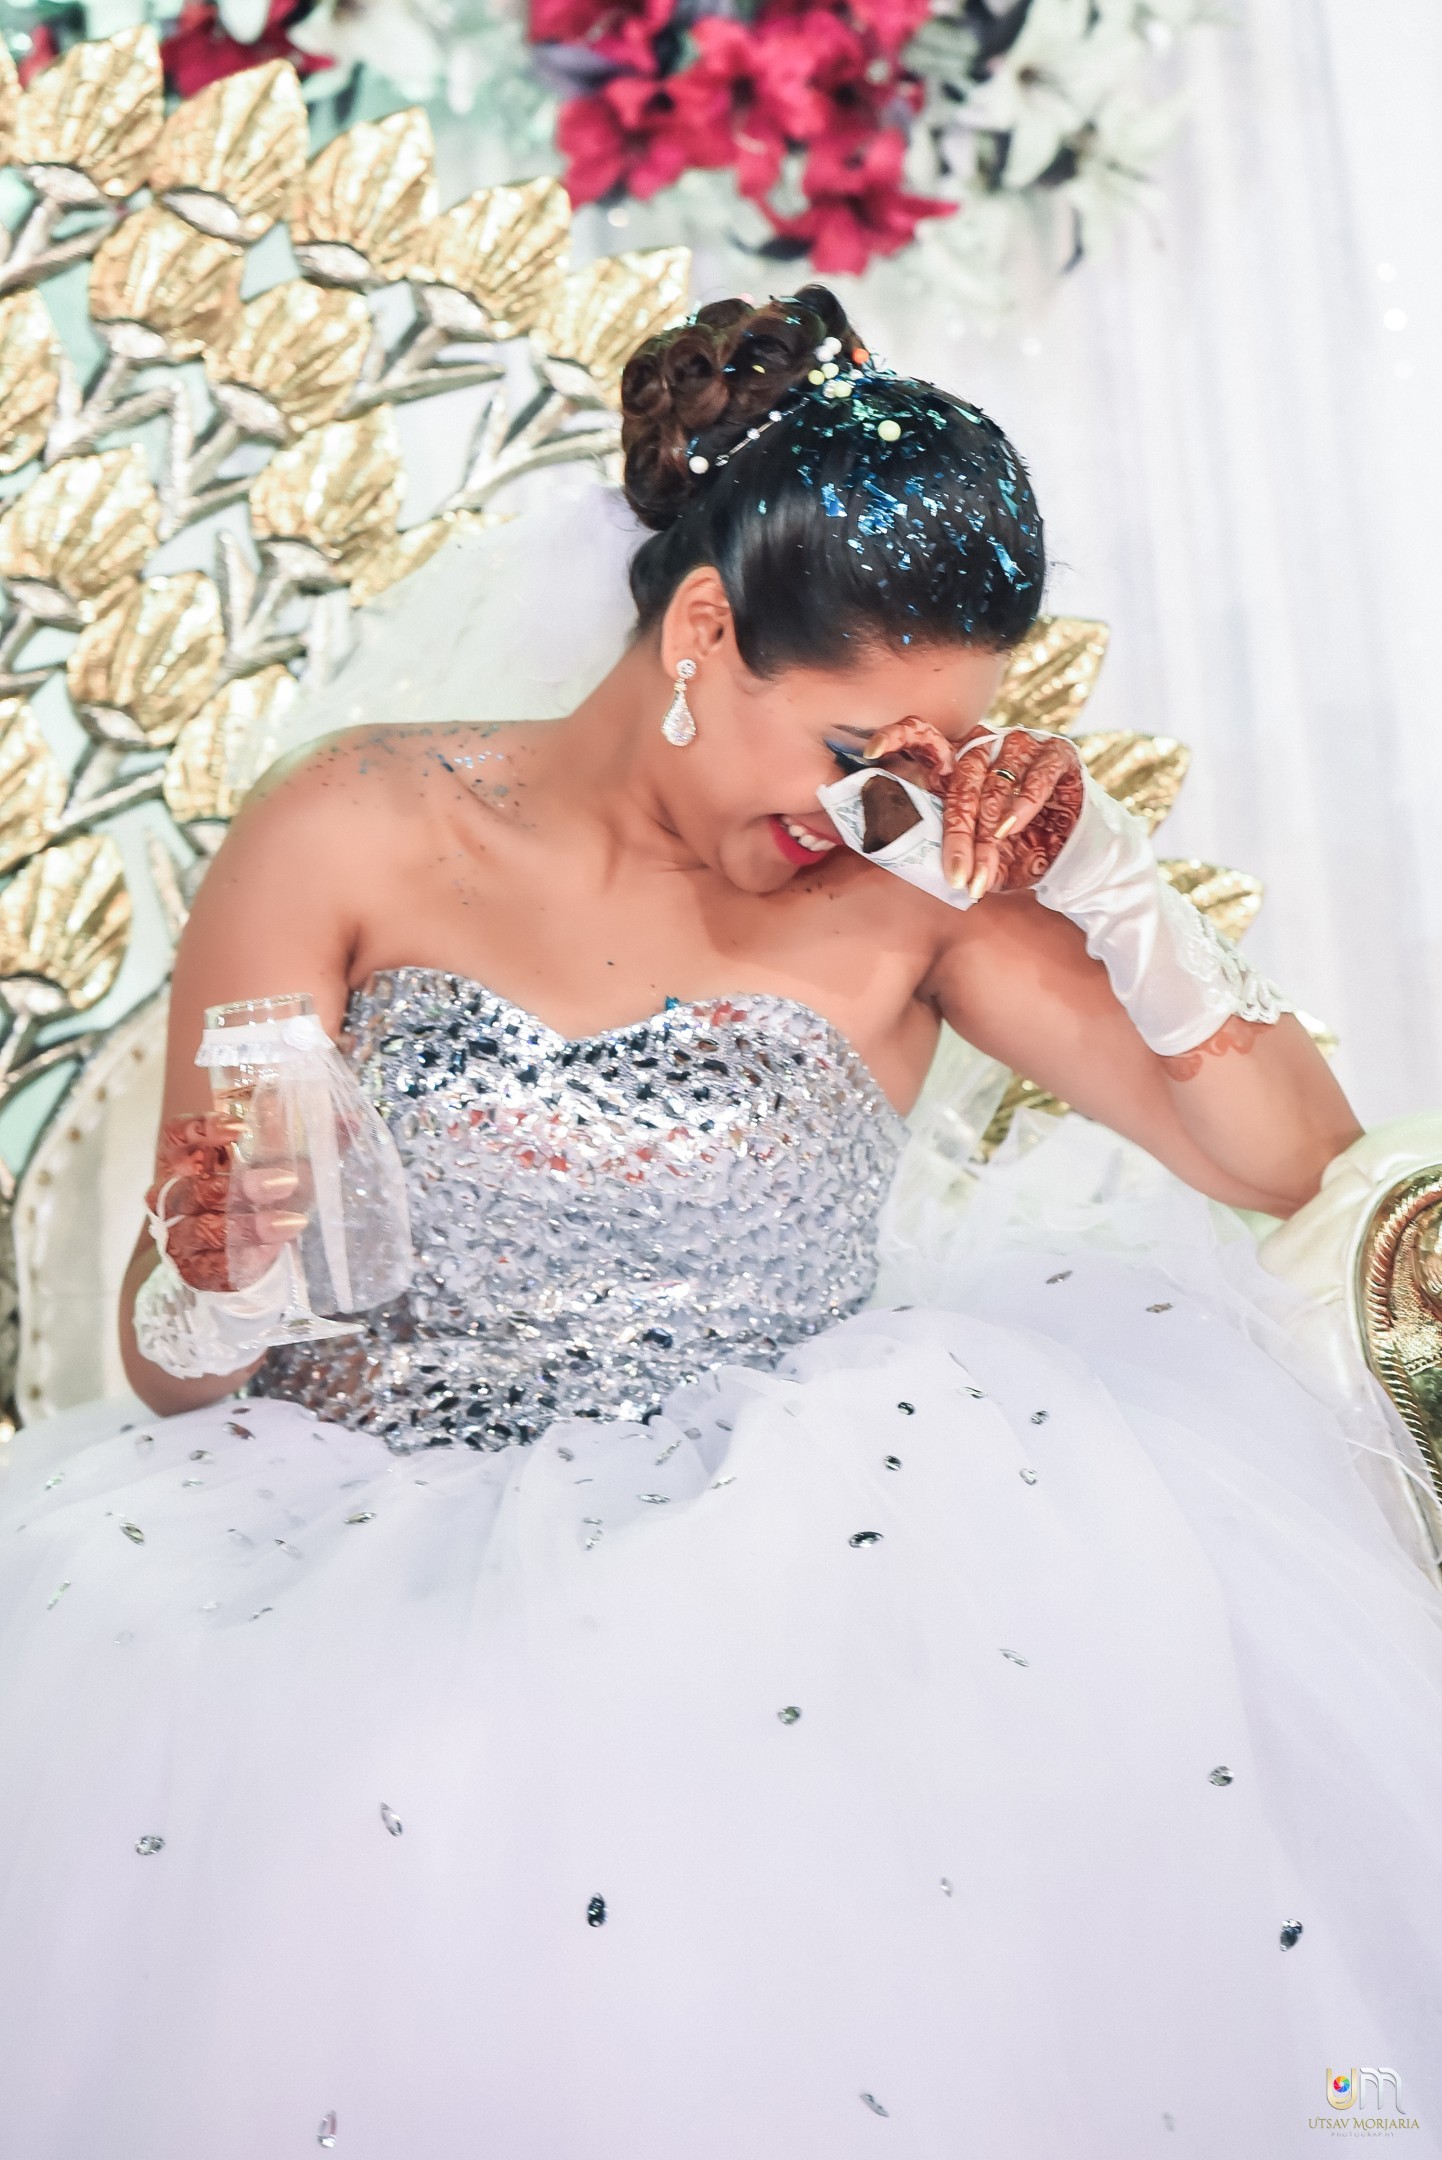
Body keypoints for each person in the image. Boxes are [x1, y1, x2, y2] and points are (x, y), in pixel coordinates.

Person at [1, 287, 1438, 2159]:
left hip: (792, 1560)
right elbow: (182, 1374)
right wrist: (214, 1276)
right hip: (344, 1555)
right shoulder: (351, 825)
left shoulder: (910, 892)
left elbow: (1286, 1159)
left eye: (934, 755)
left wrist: (1107, 881)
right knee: (388, 1795)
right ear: (699, 631)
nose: (882, 804)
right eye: (850, 746)